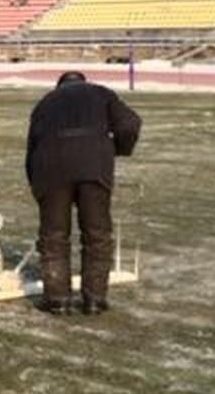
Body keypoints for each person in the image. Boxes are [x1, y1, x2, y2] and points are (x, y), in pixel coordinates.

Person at [25, 71, 141, 315]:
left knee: (54, 236)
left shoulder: (45, 103)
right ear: (83, 82)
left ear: (60, 86)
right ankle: (94, 299)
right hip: (93, 168)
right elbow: (130, 124)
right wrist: (119, 149)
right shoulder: (101, 93)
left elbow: (32, 149)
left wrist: (37, 186)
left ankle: (57, 299)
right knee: (97, 234)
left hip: (51, 169)